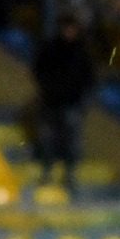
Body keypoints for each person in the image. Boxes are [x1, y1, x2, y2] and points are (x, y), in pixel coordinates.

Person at [31, 14, 94, 188]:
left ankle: (70, 175)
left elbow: (89, 79)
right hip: (50, 102)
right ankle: (47, 173)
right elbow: (38, 69)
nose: (69, 32)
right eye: (66, 27)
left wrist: (82, 99)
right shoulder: (50, 48)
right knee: (47, 140)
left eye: (72, 28)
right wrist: (47, 89)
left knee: (72, 142)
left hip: (72, 104)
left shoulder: (82, 52)